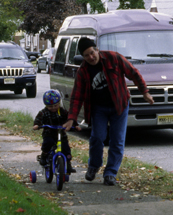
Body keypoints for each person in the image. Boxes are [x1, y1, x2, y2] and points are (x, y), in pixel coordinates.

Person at [63, 37, 154, 186]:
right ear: (83, 57)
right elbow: (77, 96)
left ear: (97, 49)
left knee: (117, 141)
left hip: (119, 105)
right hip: (99, 108)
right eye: (86, 55)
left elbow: (133, 72)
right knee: (97, 138)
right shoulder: (83, 71)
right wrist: (71, 118)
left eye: (92, 53)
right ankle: (94, 166)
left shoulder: (114, 58)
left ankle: (111, 173)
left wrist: (144, 92)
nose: (91, 57)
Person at [33, 89, 78, 172]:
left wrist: (75, 125)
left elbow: (70, 119)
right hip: (49, 133)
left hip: (61, 133)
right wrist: (37, 125)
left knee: (66, 149)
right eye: (50, 106)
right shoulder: (44, 112)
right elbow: (39, 119)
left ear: (59, 103)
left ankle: (68, 164)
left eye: (55, 105)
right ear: (46, 105)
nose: (53, 108)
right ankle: (44, 155)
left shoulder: (62, 111)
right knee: (48, 143)